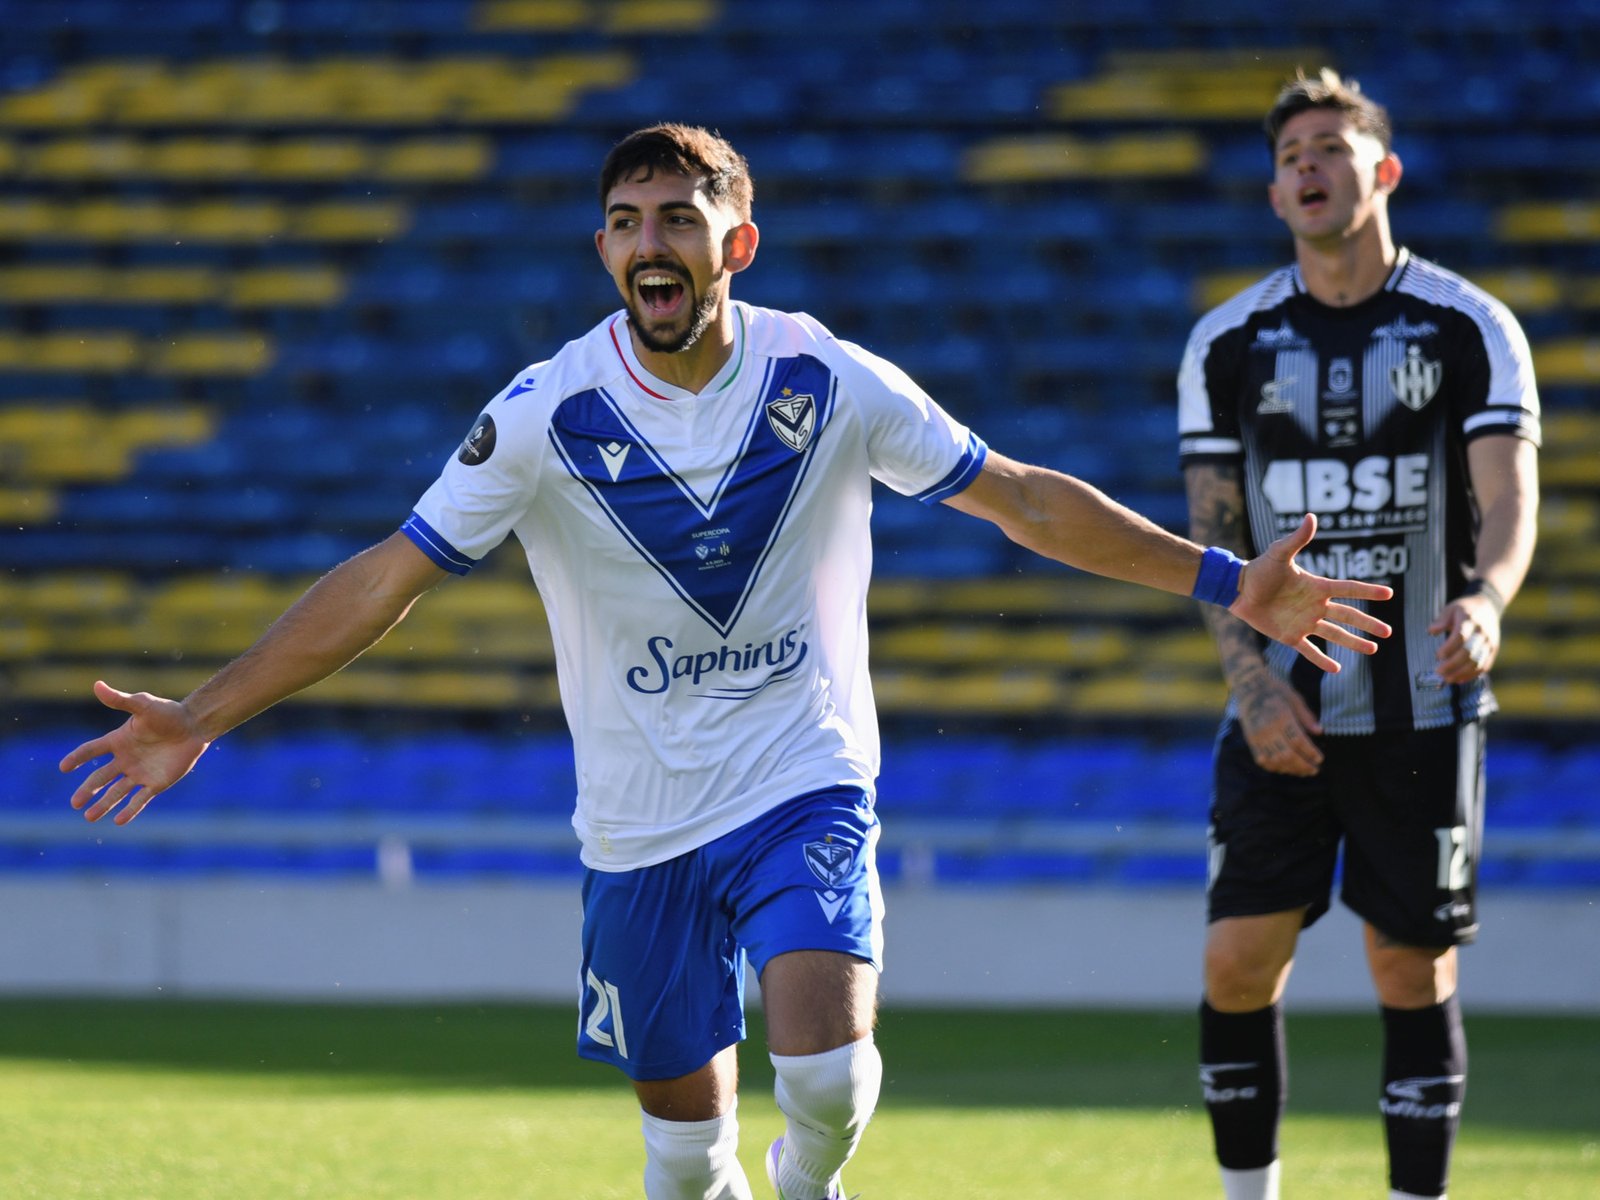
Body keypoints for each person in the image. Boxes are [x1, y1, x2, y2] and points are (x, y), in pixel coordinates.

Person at [63, 123, 1394, 1200]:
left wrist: (1227, 580)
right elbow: (388, 576)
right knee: (683, 1158)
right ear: (603, 251)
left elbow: (1023, 497)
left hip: (801, 779)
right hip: (636, 829)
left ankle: (809, 1184)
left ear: (734, 245)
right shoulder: (543, 413)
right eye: (629, 223)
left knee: (826, 1075)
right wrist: (208, 712)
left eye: (680, 220)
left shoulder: (826, 377)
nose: (653, 244)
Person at [1178, 70, 1541, 1200]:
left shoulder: (1468, 326)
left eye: (1331, 148)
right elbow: (1214, 539)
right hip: (1284, 704)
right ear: (1274, 190)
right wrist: (1251, 684)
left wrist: (1483, 599)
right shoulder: (1227, 343)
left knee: (1407, 964)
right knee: (1238, 963)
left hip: (1421, 708)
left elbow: (1511, 494)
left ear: (1380, 172)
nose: (1307, 168)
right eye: (1290, 156)